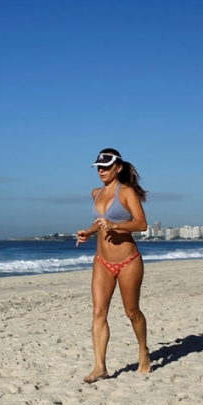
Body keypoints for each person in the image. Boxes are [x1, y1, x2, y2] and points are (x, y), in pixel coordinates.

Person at [76, 148, 150, 383]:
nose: (101, 171)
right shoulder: (95, 193)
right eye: (99, 167)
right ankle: (100, 367)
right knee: (98, 312)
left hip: (128, 261)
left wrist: (115, 226)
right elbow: (100, 223)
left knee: (132, 312)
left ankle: (143, 350)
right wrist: (88, 232)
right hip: (102, 261)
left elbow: (141, 224)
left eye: (106, 167)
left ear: (118, 167)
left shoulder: (127, 192)